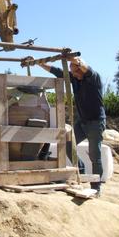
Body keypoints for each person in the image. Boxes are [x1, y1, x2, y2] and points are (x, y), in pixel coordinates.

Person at [38, 56, 106, 195]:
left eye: (75, 70)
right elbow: (57, 71)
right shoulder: (74, 78)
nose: (73, 74)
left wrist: (75, 60)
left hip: (95, 122)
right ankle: (80, 172)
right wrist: (41, 64)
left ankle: (96, 187)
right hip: (82, 122)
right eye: (71, 71)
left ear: (81, 68)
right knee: (68, 145)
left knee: (95, 155)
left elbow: (85, 67)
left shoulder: (93, 78)